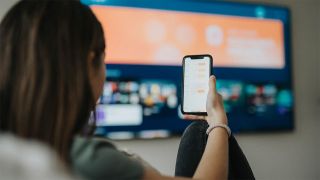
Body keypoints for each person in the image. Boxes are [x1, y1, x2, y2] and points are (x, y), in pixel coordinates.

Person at [0, 1, 254, 180]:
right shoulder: (88, 159)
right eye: (103, 59)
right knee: (199, 131)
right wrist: (219, 123)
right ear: (89, 64)